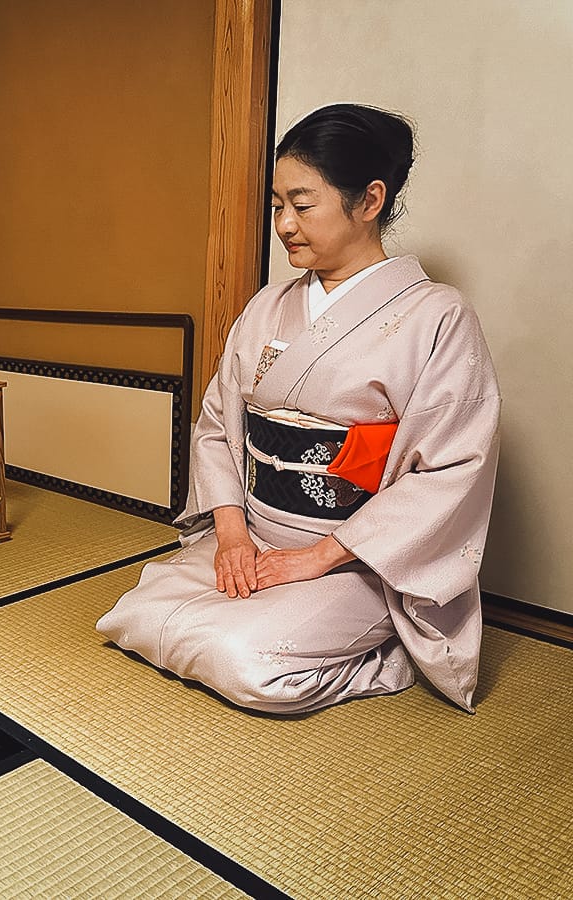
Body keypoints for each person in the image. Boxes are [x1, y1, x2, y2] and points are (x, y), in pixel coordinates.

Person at [98, 104, 501, 714]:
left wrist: (315, 559)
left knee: (244, 662)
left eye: (302, 204)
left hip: (355, 558)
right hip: (255, 536)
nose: (284, 223)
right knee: (137, 617)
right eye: (277, 205)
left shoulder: (439, 317)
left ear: (369, 200)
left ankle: (387, 653)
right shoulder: (266, 306)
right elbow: (217, 429)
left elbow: (450, 470)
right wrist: (232, 536)